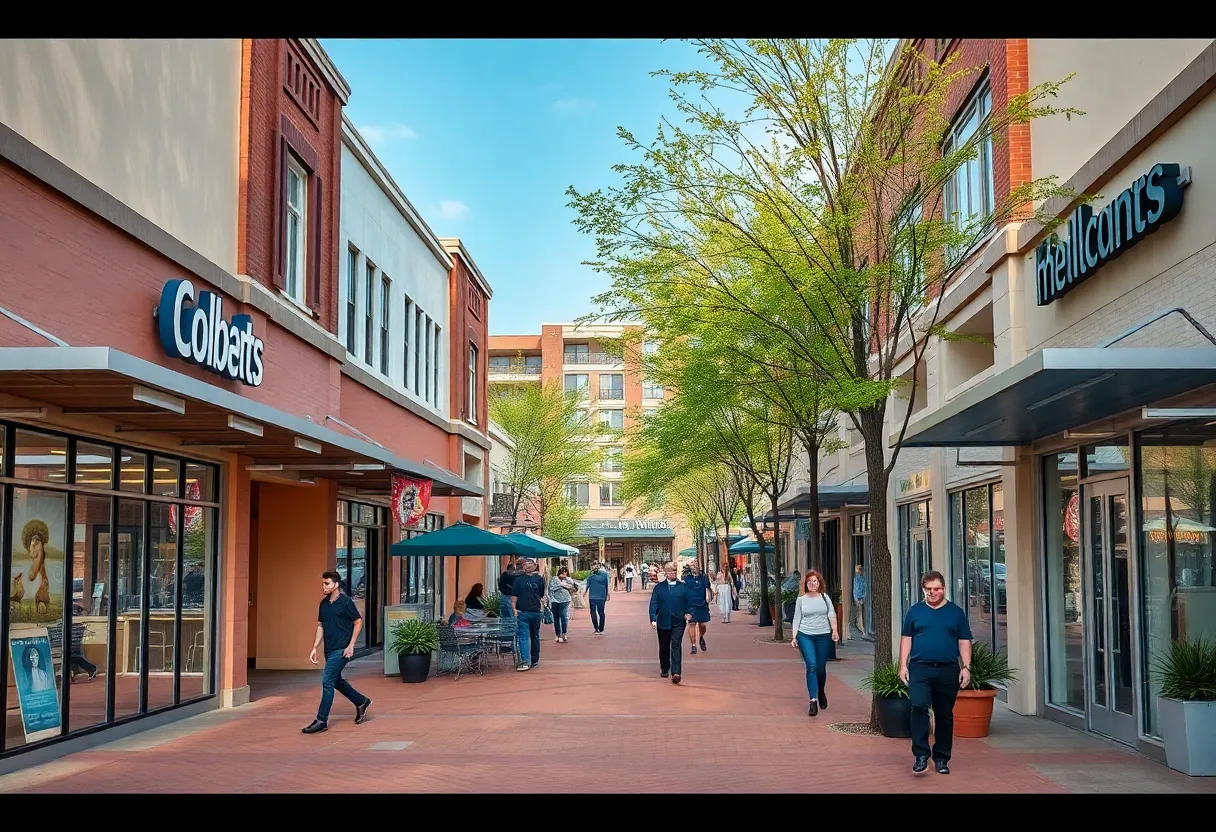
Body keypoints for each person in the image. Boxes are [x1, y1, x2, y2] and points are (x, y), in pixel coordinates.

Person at [899, 570, 973, 775]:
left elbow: (964, 641)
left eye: (937, 589)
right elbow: (906, 638)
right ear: (923, 589)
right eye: (929, 589)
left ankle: (941, 758)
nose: (933, 593)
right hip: (920, 668)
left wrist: (966, 667)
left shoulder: (956, 613)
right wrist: (902, 665)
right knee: (919, 707)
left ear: (943, 588)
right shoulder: (914, 612)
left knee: (944, 715)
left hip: (947, 670)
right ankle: (921, 755)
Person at [303, 571, 371, 735]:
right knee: (336, 681)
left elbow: (358, 622)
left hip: (342, 649)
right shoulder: (323, 604)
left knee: (327, 681)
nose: (323, 587)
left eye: (327, 583)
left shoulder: (346, 602)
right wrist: (314, 647)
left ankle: (321, 720)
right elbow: (321, 626)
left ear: (336, 584)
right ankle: (361, 701)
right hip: (329, 649)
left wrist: (351, 645)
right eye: (323, 584)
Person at [790, 570, 839, 717]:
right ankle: (813, 700)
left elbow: (832, 614)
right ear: (805, 584)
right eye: (809, 581)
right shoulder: (801, 600)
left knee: (820, 668)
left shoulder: (825, 597)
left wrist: (835, 630)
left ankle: (821, 690)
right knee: (811, 665)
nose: (812, 584)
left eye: (815, 581)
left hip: (823, 636)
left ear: (819, 583)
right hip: (805, 635)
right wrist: (794, 637)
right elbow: (796, 618)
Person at [649, 562, 693, 683]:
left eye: (674, 571)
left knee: (676, 644)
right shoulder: (659, 588)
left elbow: (689, 602)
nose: (672, 574)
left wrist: (689, 613)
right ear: (666, 573)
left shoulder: (683, 586)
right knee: (664, 645)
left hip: (678, 620)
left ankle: (676, 672)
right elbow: (654, 604)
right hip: (663, 620)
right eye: (670, 572)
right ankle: (664, 667)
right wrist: (653, 618)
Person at [510, 559, 548, 671]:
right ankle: (534, 660)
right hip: (534, 611)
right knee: (534, 636)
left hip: (525, 611)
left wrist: (514, 608)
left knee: (524, 637)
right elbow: (541, 594)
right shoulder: (539, 579)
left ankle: (526, 661)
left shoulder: (519, 580)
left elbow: (514, 596)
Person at [11, 519, 52, 618]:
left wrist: (41, 603)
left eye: (36, 542)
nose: (32, 546)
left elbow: (44, 597)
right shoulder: (21, 574)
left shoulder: (43, 577)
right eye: (31, 543)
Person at [683, 561, 713, 654]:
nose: (694, 567)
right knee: (692, 624)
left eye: (696, 565)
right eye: (692, 565)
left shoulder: (703, 578)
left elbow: (708, 589)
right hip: (691, 605)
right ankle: (693, 645)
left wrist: (709, 598)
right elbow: (684, 591)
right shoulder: (687, 578)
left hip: (702, 604)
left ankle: (701, 637)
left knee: (702, 624)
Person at [549, 566, 576, 643]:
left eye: (565, 572)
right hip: (554, 600)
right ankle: (558, 634)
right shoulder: (554, 579)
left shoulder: (568, 579)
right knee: (556, 618)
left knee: (563, 616)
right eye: (562, 572)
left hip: (565, 600)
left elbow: (571, 586)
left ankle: (564, 633)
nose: (564, 573)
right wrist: (562, 585)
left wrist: (563, 583)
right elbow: (552, 588)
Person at [583, 561, 611, 634]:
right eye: (593, 564)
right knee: (596, 612)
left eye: (595, 564)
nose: (594, 566)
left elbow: (607, 584)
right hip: (596, 595)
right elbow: (588, 583)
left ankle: (599, 628)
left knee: (599, 612)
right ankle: (598, 628)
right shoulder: (597, 574)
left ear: (599, 565)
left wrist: (608, 593)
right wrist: (585, 592)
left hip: (599, 595)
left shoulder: (601, 574)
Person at [852, 564, 867, 635]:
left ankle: (861, 627)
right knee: (859, 613)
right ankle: (861, 628)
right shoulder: (857, 578)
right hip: (858, 597)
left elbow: (864, 588)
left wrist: (863, 597)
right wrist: (856, 598)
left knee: (860, 613)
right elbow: (855, 588)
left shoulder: (862, 578)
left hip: (860, 597)